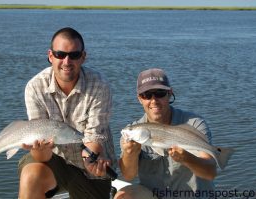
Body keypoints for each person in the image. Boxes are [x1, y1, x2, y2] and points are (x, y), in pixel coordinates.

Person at [18, 27, 117, 199]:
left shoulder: (100, 85)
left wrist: (91, 160)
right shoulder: (35, 87)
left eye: (74, 55)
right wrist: (39, 150)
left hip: (92, 170)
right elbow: (42, 155)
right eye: (60, 54)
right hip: (54, 160)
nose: (66, 61)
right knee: (31, 176)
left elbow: (95, 136)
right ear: (50, 56)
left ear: (83, 57)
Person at [115, 68, 217, 199]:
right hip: (157, 195)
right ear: (140, 98)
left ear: (170, 94)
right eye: (147, 95)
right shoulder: (132, 131)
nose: (154, 100)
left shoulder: (194, 124)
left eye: (160, 93)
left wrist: (188, 158)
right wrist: (130, 153)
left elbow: (209, 171)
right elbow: (128, 175)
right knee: (123, 196)